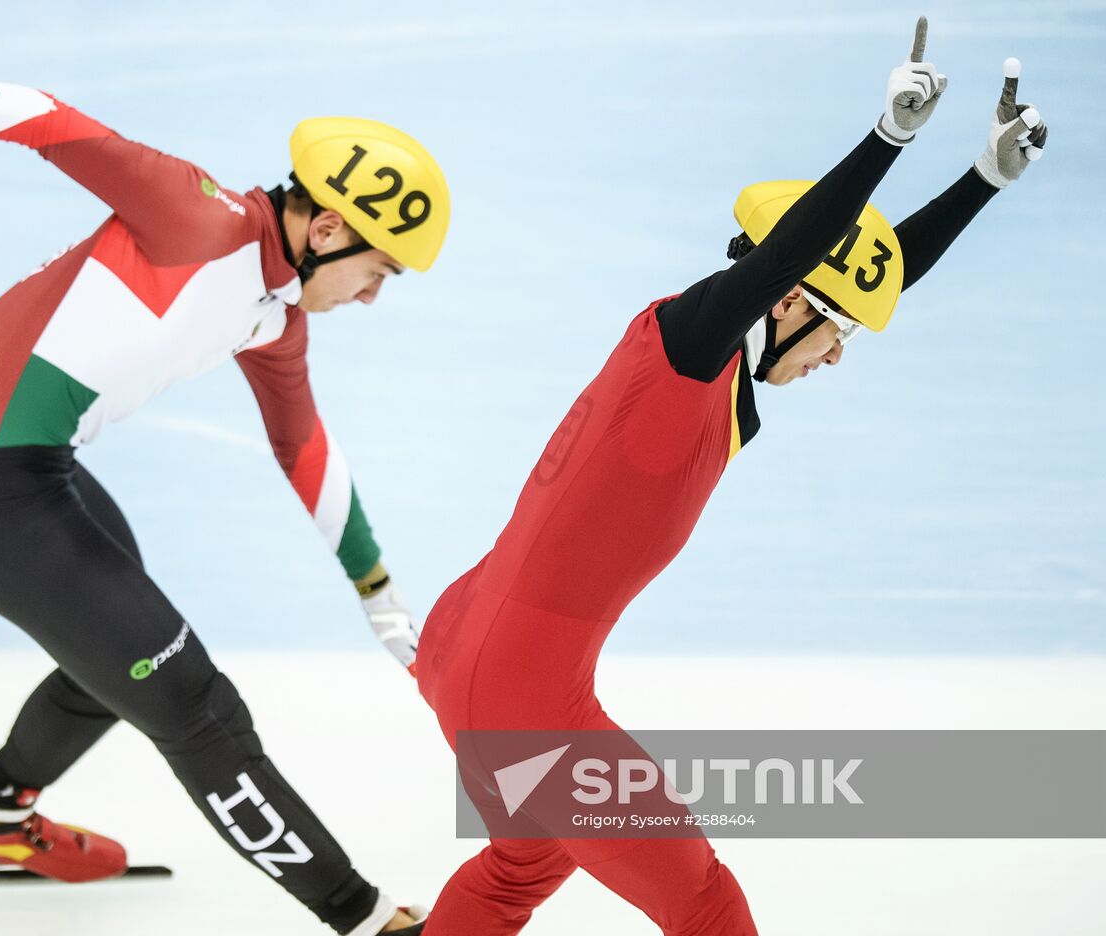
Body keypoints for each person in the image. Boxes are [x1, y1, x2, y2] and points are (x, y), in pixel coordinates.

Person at [0, 54, 450, 935]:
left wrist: (376, 589)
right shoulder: (196, 215)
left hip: (27, 472)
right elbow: (45, 118)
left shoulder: (275, 311)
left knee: (114, 651)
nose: (372, 297)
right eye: (380, 271)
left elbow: (301, 443)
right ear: (329, 228)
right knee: (194, 704)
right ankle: (366, 918)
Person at [410, 19, 1047, 936]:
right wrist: (886, 139)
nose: (838, 355)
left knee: (526, 860)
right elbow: (795, 254)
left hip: (466, 642)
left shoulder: (726, 367)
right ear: (785, 302)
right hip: (523, 700)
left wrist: (983, 179)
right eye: (839, 333)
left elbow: (864, 272)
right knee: (704, 903)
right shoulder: (688, 350)